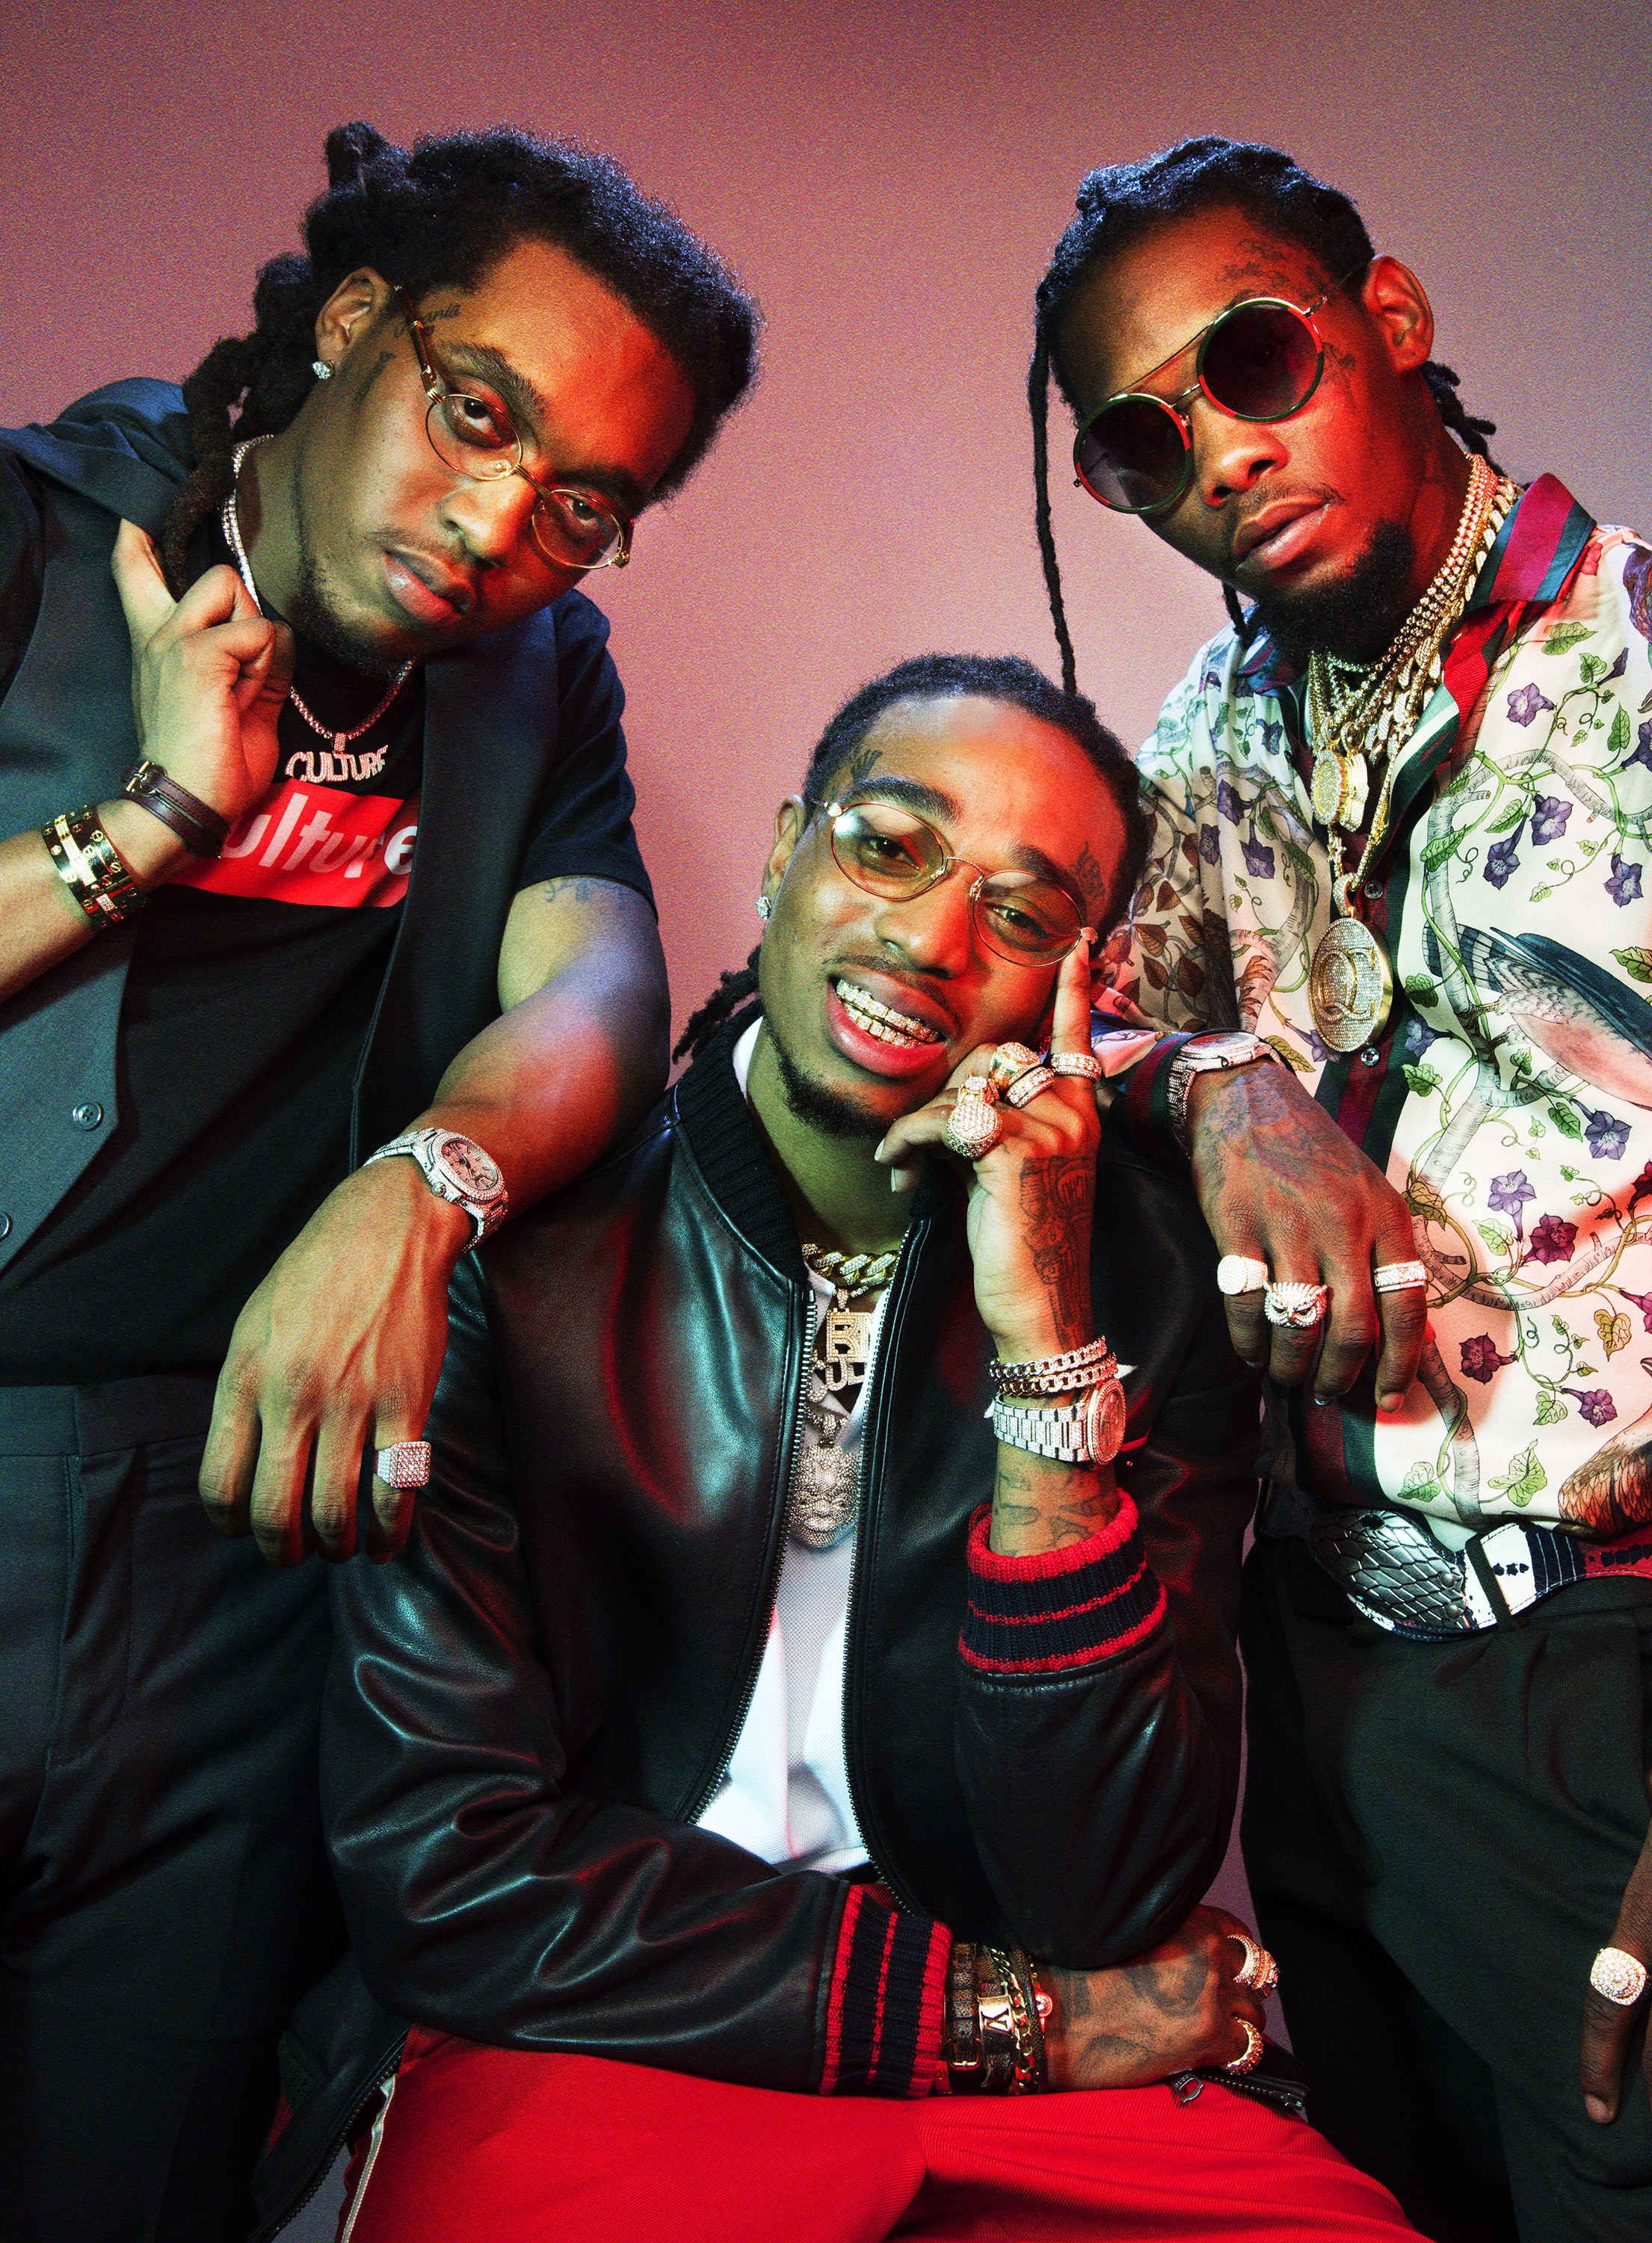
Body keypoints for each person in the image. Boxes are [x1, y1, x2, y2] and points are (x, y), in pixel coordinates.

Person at [256, 655, 1417, 2243]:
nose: (931, 941)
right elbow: (447, 1876)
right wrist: (1011, 2021)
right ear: (784, 850)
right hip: (610, 2022)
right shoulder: (511, 1264)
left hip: (1046, 2044)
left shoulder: (1149, 1292)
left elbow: (1102, 1889)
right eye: (889, 846)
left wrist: (1044, 1348)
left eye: (1022, 913)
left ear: (1083, 982)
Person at [1026, 135, 1652, 2242]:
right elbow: (1094, 1020)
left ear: (1389, 320)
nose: (1219, 454)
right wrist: (1222, 1087)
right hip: (1333, 1690)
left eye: (1253, 361)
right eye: (1142, 439)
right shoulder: (1212, 729)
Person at [0, 120, 756, 2239]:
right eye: (478, 412)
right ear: (353, 323)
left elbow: (598, 985)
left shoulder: (532, 674)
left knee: (142, 2177)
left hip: (243, 1527)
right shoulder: (43, 537)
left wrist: (423, 1186)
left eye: (582, 504)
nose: (501, 522)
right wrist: (154, 818)